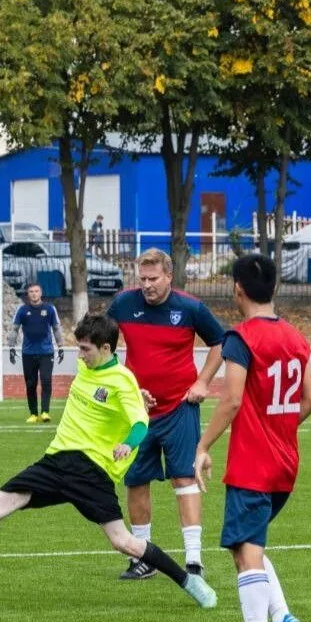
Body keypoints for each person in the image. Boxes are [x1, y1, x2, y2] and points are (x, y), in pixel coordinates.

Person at [0, 314, 216, 610]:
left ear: (106, 349)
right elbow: (115, 391)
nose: (79, 355)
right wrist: (138, 393)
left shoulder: (122, 381)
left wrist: (128, 442)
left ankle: (189, 582)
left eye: (85, 349)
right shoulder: (91, 370)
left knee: (124, 542)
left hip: (90, 472)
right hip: (55, 462)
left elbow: (139, 422)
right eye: (78, 347)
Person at [194, 254, 311, 622]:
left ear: (237, 289)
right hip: (285, 463)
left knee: (245, 552)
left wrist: (202, 446)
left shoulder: (241, 339)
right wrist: (279, 427)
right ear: (275, 289)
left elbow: (230, 399)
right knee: (249, 545)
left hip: (253, 465)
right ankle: (282, 617)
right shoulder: (296, 338)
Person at [107, 248, 224, 580]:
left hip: (179, 408)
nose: (146, 285)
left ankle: (194, 560)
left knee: (184, 478)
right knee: (136, 479)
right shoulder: (123, 304)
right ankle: (142, 558)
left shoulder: (189, 308)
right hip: (138, 412)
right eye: (142, 279)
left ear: (169, 276)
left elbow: (220, 343)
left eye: (153, 279)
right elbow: (105, 346)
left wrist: (203, 381)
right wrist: (124, 389)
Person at [7, 283, 65, 423]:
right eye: (31, 291)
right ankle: (33, 414)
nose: (34, 294)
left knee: (46, 381)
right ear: (28, 294)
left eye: (36, 291)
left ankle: (45, 412)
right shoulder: (22, 310)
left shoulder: (50, 309)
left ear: (41, 293)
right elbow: (14, 329)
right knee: (31, 383)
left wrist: (61, 347)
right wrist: (11, 347)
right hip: (28, 353)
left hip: (46, 352)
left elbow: (56, 328)